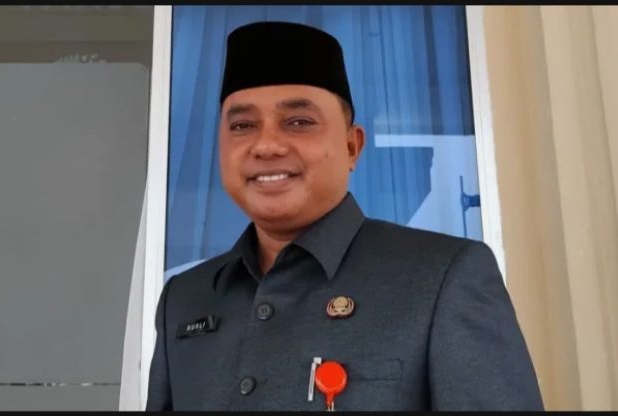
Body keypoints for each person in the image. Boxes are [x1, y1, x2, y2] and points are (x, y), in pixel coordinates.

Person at [146, 21, 543, 411]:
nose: (265, 145)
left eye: (298, 122)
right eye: (242, 125)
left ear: (352, 147)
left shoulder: (443, 277)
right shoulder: (185, 297)